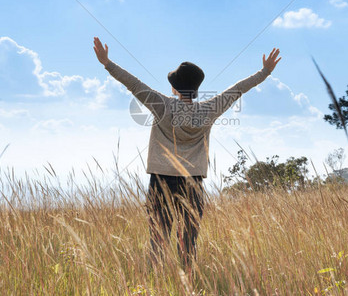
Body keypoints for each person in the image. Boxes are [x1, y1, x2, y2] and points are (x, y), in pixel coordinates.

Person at [92, 37, 281, 268]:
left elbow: (133, 83)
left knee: (158, 241)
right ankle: (187, 284)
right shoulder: (209, 110)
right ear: (197, 88)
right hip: (193, 183)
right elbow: (237, 90)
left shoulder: (162, 105)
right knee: (188, 243)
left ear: (174, 88)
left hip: (160, 180)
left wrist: (107, 63)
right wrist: (264, 73)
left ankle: (158, 285)